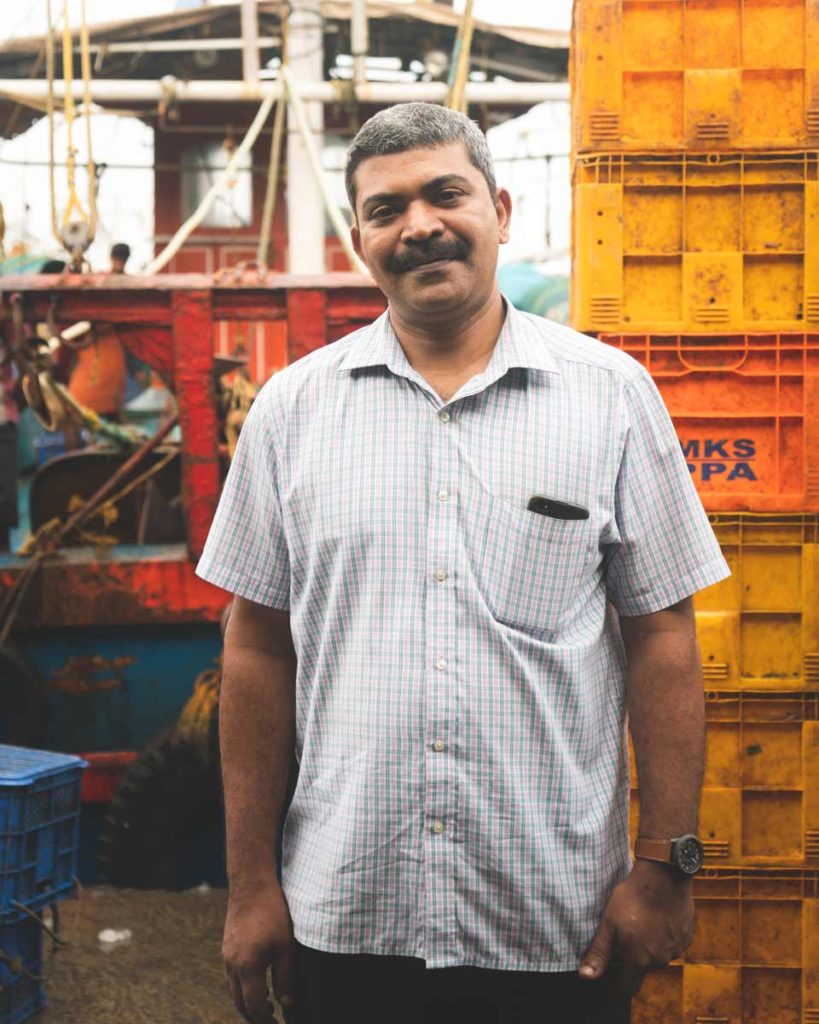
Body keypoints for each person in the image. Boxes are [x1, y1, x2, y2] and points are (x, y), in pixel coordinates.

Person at [196, 103, 731, 1024]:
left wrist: (666, 865)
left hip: (551, 919)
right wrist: (250, 887)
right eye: (386, 208)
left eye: (447, 194)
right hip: (347, 911)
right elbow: (255, 651)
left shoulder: (609, 397)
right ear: (359, 237)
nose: (420, 226)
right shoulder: (291, 412)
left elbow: (662, 638)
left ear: (501, 209)